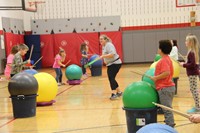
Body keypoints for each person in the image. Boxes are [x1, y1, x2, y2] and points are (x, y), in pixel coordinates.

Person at [150, 40, 176, 127]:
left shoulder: (164, 60)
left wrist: (155, 78)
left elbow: (166, 73)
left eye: (159, 47)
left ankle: (170, 126)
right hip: (168, 87)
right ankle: (169, 123)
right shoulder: (167, 59)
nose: (158, 49)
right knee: (167, 108)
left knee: (167, 109)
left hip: (165, 88)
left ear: (161, 50)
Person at [180, 34, 200, 114]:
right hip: (192, 73)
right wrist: (186, 61)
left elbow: (192, 65)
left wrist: (183, 65)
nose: (185, 42)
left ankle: (198, 107)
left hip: (192, 74)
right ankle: (197, 106)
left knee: (194, 90)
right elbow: (193, 63)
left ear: (190, 42)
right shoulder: (191, 51)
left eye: (186, 41)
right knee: (193, 89)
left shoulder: (191, 52)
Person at [99, 34, 122, 100]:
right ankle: (119, 92)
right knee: (112, 78)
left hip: (115, 63)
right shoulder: (104, 46)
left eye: (102, 39)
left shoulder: (109, 45)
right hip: (110, 64)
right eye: (99, 39)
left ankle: (114, 94)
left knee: (111, 78)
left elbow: (112, 54)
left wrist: (103, 56)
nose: (100, 40)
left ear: (105, 40)